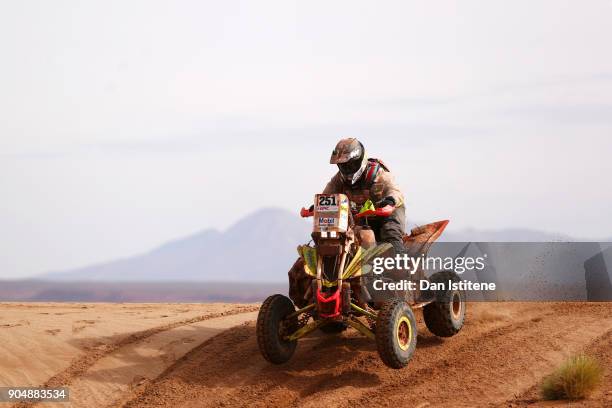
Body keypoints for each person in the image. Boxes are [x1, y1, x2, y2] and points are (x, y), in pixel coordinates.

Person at [322, 138, 406, 253]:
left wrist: (391, 200)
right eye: (343, 166)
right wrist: (317, 206)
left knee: (390, 232)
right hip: (362, 218)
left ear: (360, 160)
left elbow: (395, 190)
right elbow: (326, 195)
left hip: (386, 213)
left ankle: (400, 263)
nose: (347, 170)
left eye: (350, 165)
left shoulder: (377, 173)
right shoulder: (339, 179)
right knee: (341, 236)